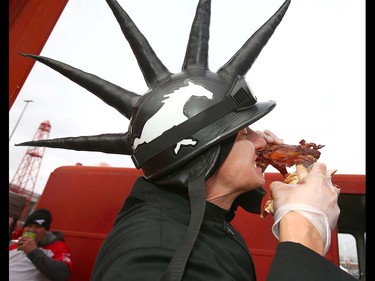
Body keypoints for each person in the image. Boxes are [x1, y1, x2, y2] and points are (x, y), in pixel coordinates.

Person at [15, 0, 357, 280]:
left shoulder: (206, 225)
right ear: (201, 151)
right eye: (244, 132)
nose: (261, 141)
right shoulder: (151, 252)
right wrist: (304, 240)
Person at [9, 208, 72, 281]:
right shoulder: (14, 245)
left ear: (46, 231)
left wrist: (33, 251)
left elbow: (63, 274)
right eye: (29, 226)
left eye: (37, 227)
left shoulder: (57, 247)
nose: (31, 230)